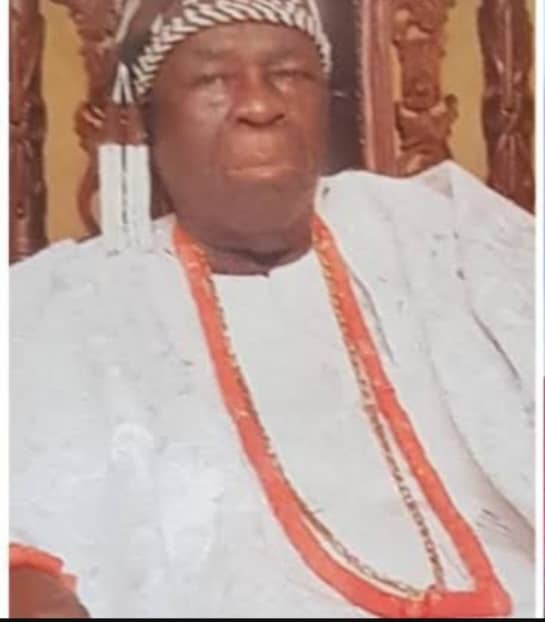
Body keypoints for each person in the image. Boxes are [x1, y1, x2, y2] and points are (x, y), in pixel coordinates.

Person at [10, 0, 534, 618]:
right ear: (146, 121)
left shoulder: (443, 232)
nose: (259, 106)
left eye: (288, 74)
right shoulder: (62, 304)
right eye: (212, 80)